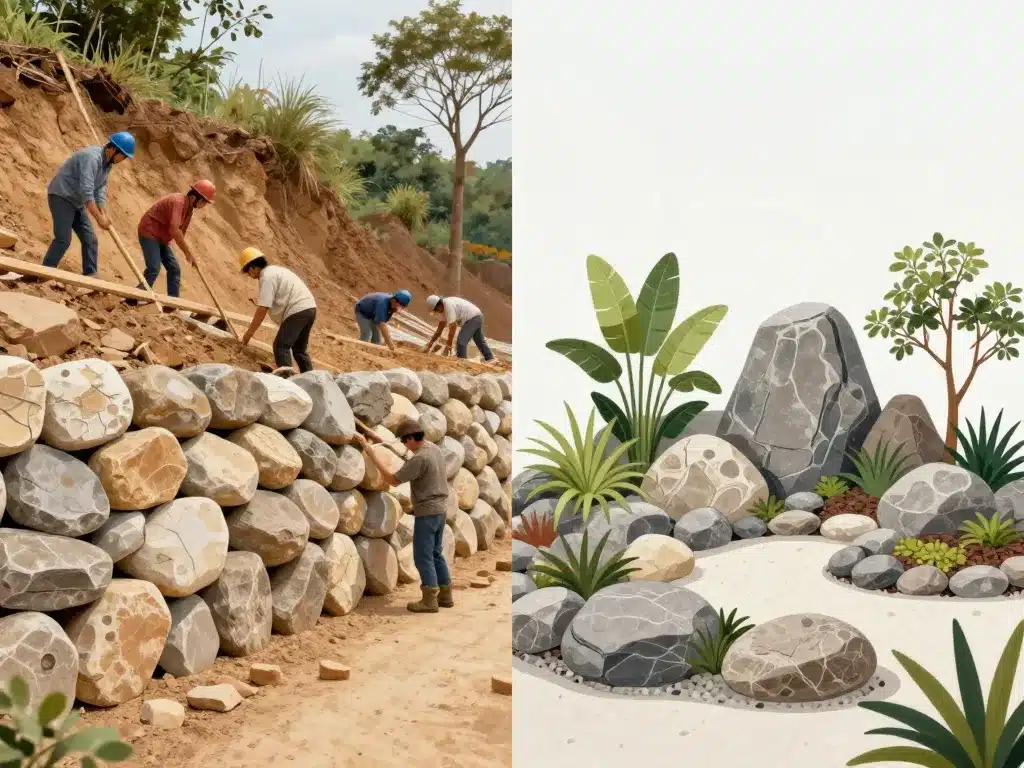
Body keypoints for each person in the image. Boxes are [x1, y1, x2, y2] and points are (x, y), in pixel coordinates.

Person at [354, 418, 453, 613]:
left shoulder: (420, 459)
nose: (404, 445)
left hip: (427, 512)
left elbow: (393, 479)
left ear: (410, 438)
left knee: (422, 555)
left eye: (404, 441)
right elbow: (403, 453)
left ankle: (429, 600)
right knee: (436, 553)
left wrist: (370, 452)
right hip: (441, 510)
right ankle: (445, 595)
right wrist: (374, 436)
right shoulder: (433, 449)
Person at [40, 132, 135, 277]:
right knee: (63, 239)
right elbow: (87, 191)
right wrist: (99, 218)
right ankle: (43, 272)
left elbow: (100, 187)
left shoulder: (107, 163)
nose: (123, 160)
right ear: (114, 150)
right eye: (124, 156)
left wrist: (103, 212)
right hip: (62, 196)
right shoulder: (92, 158)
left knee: (90, 239)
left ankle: (90, 276)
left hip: (76, 202)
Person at [238, 247, 317, 375]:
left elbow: (262, 309)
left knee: (281, 346)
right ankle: (311, 379)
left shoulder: (267, 277)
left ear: (252, 268)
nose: (250, 276)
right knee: (299, 349)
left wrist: (248, 335)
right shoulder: (276, 271)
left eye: (248, 273)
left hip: (297, 309)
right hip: (309, 308)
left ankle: (287, 380)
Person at [133, 180, 215, 299]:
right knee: (154, 268)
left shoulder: (189, 210)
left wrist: (188, 253)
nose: (204, 205)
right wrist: (187, 252)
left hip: (162, 238)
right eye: (204, 202)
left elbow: (181, 233)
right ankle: (133, 298)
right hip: (150, 232)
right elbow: (174, 230)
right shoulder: (178, 202)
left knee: (174, 269)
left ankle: (172, 304)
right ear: (194, 197)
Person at [424, 294, 495, 362]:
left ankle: (462, 361)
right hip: (477, 316)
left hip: (473, 317)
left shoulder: (448, 305)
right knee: (479, 340)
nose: (436, 313)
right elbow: (439, 330)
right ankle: (490, 359)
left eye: (436, 310)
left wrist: (449, 345)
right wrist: (429, 345)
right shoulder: (442, 311)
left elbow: (453, 327)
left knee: (461, 341)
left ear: (439, 307)